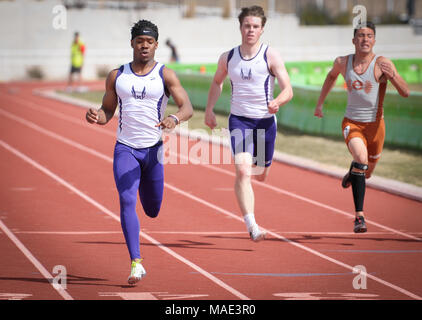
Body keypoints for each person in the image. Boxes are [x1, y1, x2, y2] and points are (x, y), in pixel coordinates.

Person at [85, 20, 193, 285]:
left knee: (153, 209)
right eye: (139, 41)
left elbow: (187, 106)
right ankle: (136, 262)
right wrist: (97, 116)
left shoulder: (165, 75)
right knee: (125, 200)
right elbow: (108, 110)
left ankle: (142, 234)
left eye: (149, 41)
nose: (144, 45)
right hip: (126, 149)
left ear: (156, 45)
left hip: (153, 152)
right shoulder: (117, 75)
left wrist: (174, 119)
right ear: (132, 43)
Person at [204, 6, 293, 242]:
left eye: (255, 26)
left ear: (262, 29)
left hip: (265, 123)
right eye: (247, 25)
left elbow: (288, 89)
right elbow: (216, 81)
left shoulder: (270, 55)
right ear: (240, 27)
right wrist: (210, 109)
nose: (250, 30)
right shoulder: (228, 57)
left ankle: (263, 166)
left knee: (260, 174)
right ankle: (252, 225)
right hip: (240, 121)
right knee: (243, 171)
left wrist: (278, 101)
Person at [314, 22, 409, 233]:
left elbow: (405, 92)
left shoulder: (382, 63)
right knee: (361, 161)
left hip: (376, 127)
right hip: (352, 123)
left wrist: (392, 75)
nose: (365, 39)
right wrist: (320, 103)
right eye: (361, 35)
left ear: (374, 40)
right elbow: (330, 77)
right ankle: (359, 217)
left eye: (369, 36)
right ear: (354, 40)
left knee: (366, 173)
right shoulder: (342, 62)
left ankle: (352, 172)